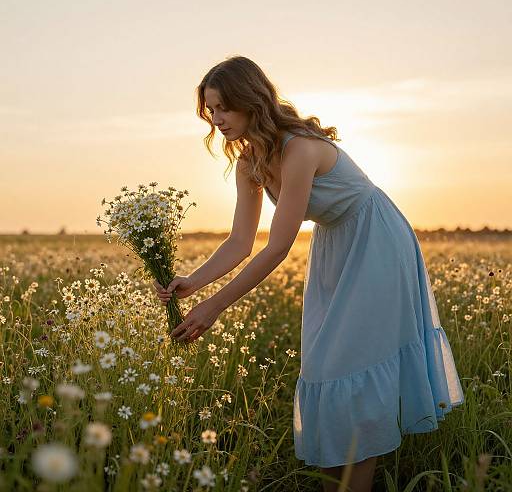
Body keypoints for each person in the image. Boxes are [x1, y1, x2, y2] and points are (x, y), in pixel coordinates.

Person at [154, 55, 465, 492]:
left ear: (251, 101)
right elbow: (241, 241)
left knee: (355, 362)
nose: (217, 119)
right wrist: (194, 282)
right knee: (323, 367)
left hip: (375, 241)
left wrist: (215, 307)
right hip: (335, 245)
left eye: (224, 107)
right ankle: (334, 480)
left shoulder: (298, 148)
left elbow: (278, 246)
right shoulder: (249, 163)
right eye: (211, 110)